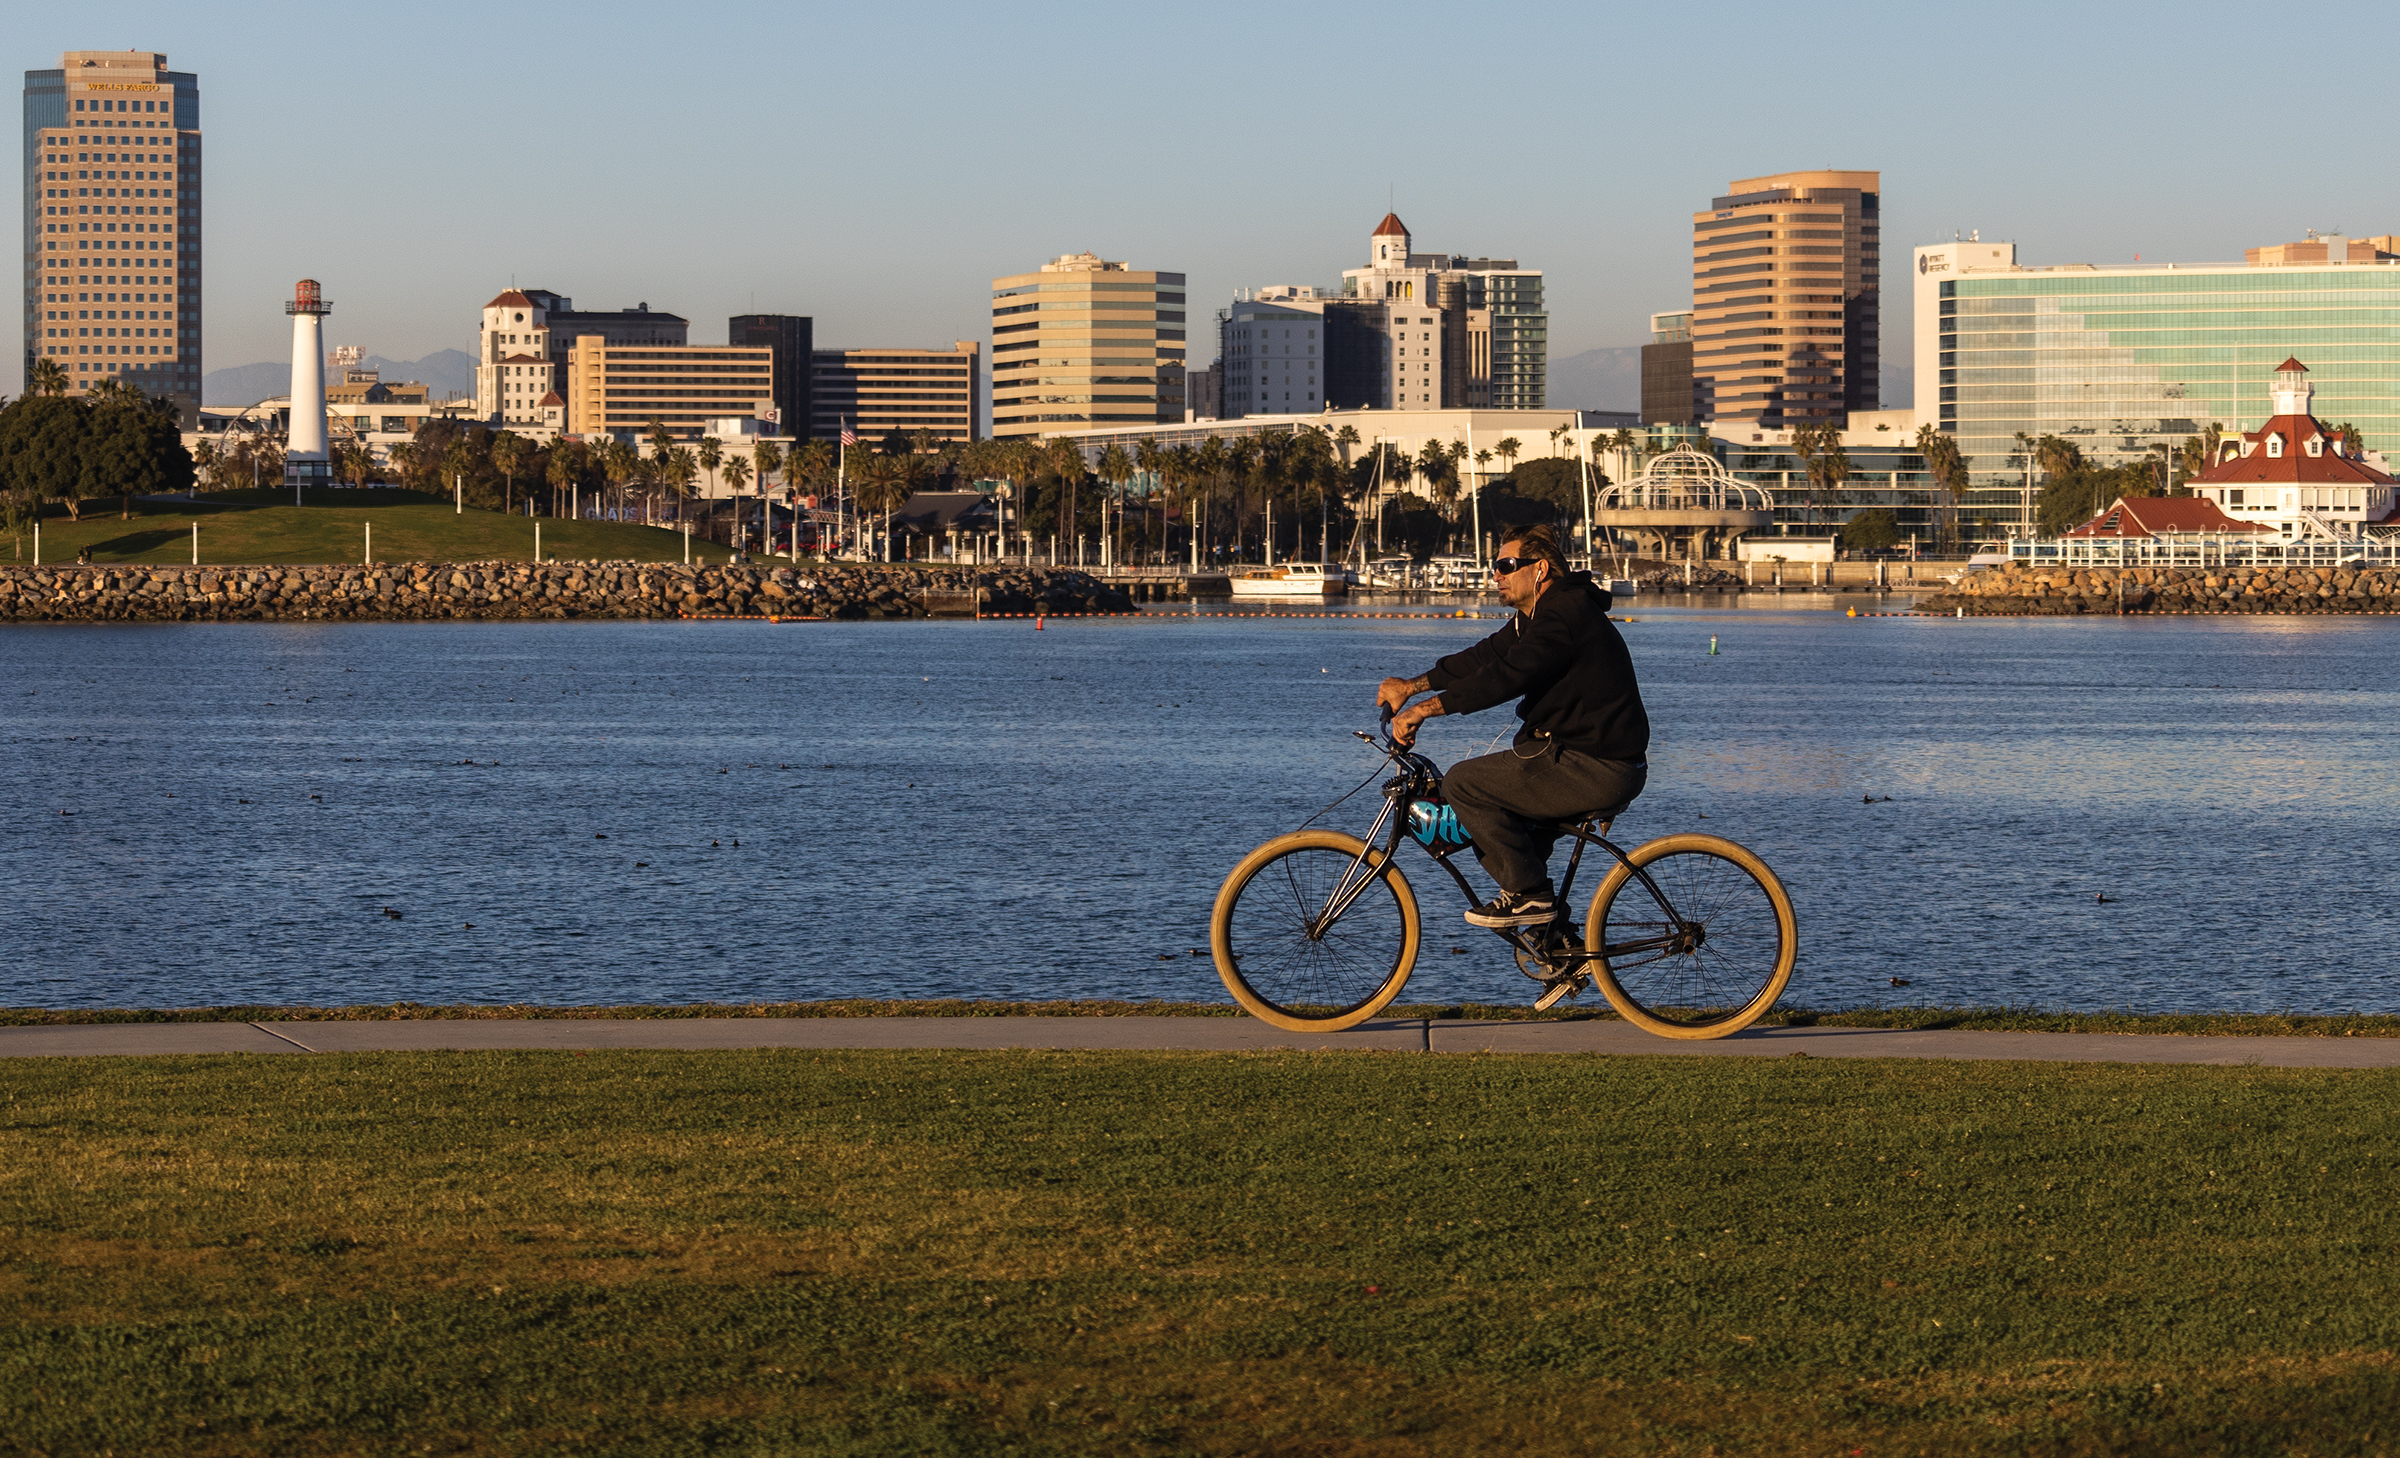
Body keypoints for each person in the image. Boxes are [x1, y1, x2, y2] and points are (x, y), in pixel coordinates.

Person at [1376, 523, 1649, 928]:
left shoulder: (1564, 614)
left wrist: (1423, 711)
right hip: (1578, 755)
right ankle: (1557, 946)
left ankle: (1535, 900)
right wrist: (1409, 687)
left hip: (1595, 763)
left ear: (1539, 569)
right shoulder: (1535, 617)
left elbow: (1505, 677)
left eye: (1506, 565)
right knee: (1501, 846)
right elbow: (1482, 659)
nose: (1496, 575)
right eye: (1494, 565)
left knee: (1464, 784)